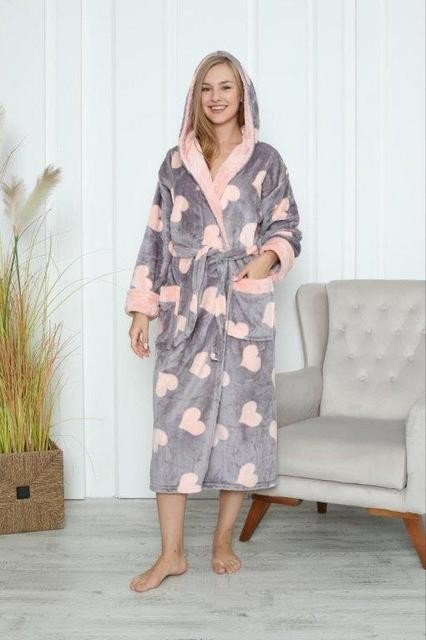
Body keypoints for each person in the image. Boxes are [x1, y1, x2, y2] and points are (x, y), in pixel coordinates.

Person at [124, 50, 302, 593]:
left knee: (240, 427)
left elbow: (287, 226)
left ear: (242, 95)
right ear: (195, 97)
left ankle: (222, 540)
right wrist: (142, 308)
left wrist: (263, 262)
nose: (216, 97)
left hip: (243, 308)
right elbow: (156, 237)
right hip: (186, 308)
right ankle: (171, 553)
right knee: (172, 426)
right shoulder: (175, 163)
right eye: (207, 88)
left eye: (226, 87)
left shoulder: (265, 160)